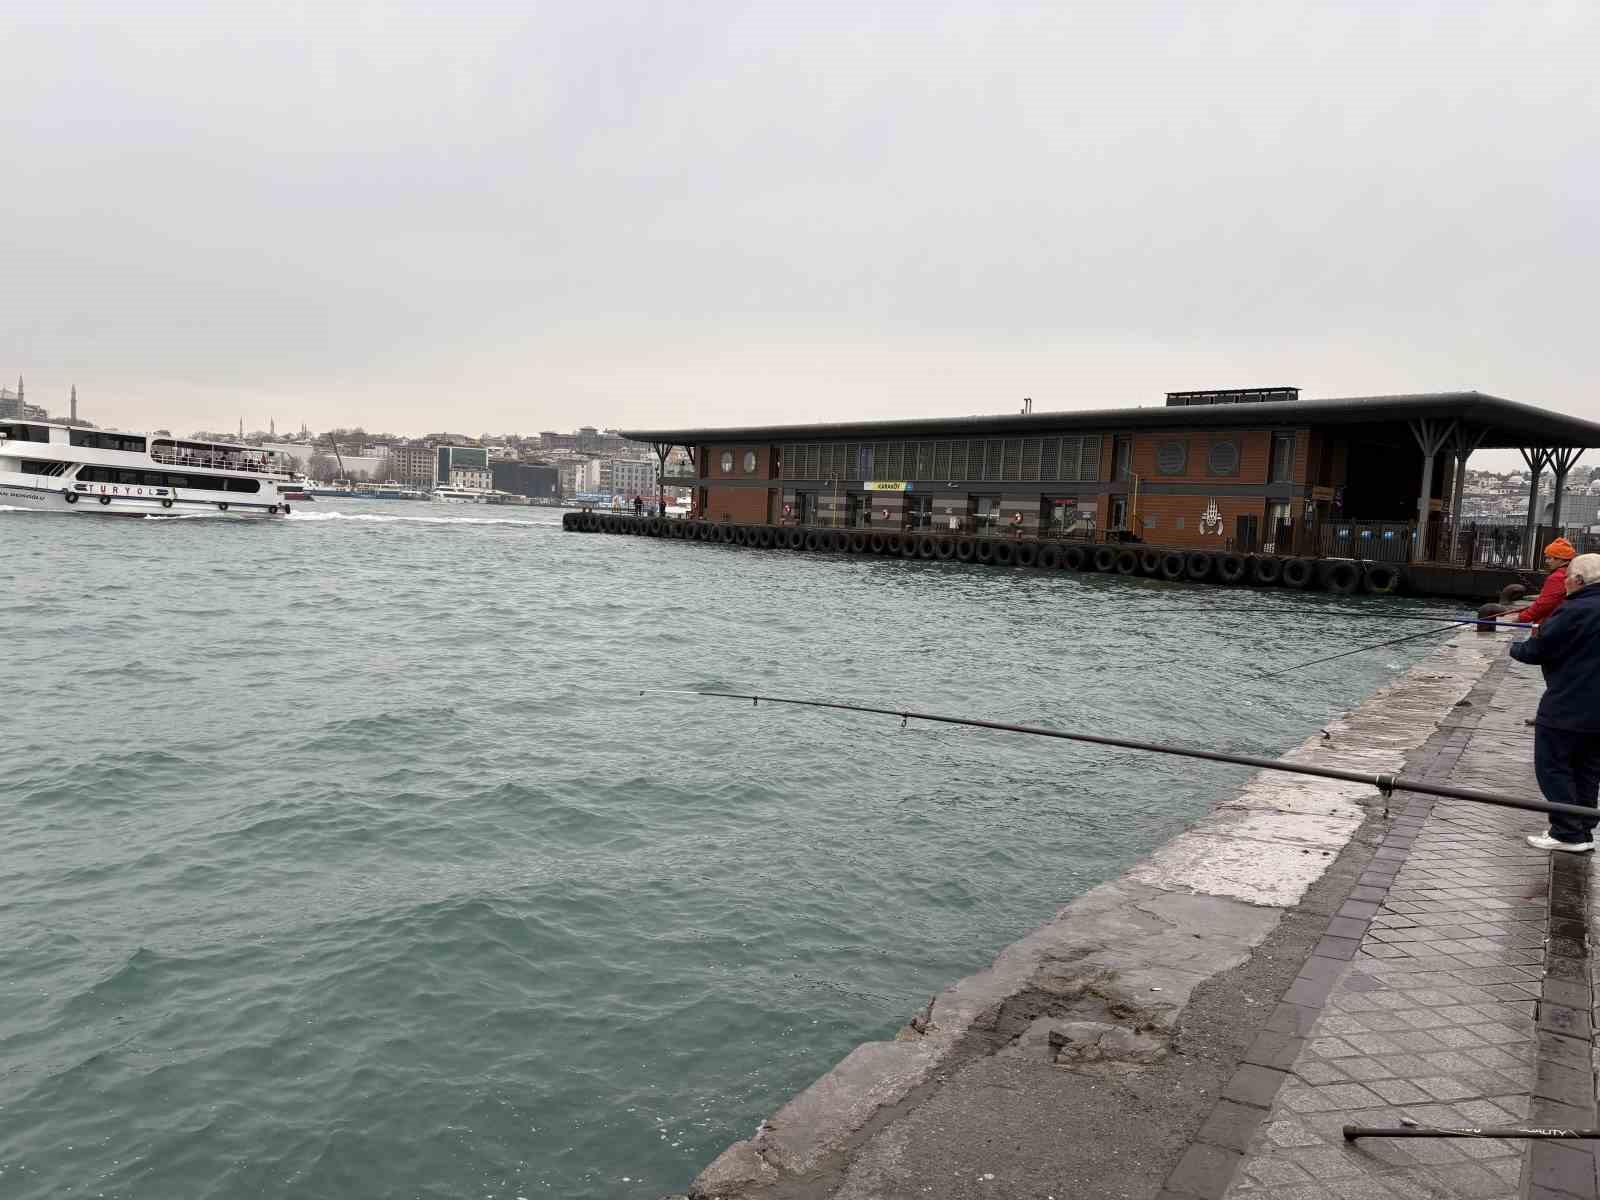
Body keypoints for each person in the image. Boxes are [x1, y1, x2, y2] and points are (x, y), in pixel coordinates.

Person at [1510, 553, 1600, 852]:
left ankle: (1566, 833)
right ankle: (1583, 829)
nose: (1565, 585)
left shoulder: (1574, 609)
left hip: (1568, 704)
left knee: (1554, 766)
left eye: (1568, 579)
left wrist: (1520, 645)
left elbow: (1536, 651)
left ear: (1578, 580)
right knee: (1587, 770)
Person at [1509, 537, 1577, 627]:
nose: (1546, 561)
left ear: (1560, 559)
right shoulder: (1572, 573)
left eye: (1549, 558)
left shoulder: (1557, 577)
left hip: (1550, 624)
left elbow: (1544, 604)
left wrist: (1521, 617)